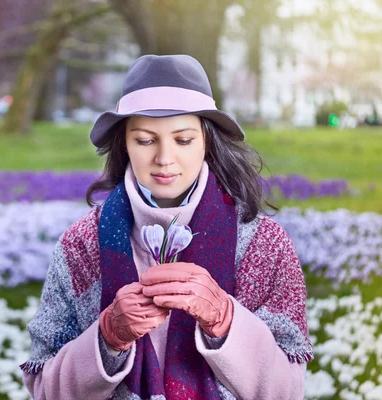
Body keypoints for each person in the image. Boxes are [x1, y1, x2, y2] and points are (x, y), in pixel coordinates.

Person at [20, 54, 313, 399]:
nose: (164, 158)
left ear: (207, 140)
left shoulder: (263, 244)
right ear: (124, 144)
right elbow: (43, 390)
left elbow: (287, 391)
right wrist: (107, 338)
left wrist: (224, 319)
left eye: (183, 140)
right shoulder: (82, 245)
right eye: (145, 140)